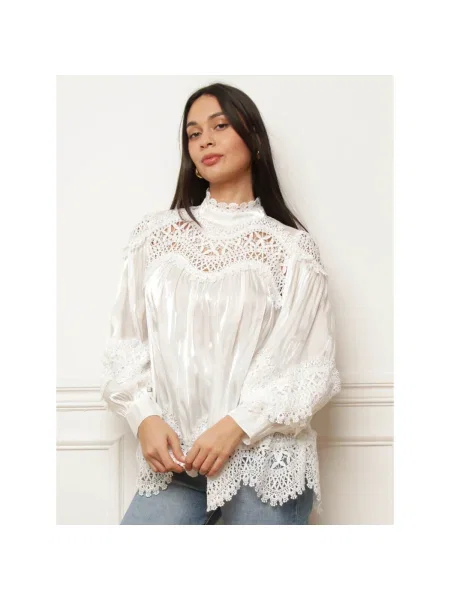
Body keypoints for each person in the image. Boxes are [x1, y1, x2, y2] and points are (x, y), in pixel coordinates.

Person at [100, 82, 342, 525]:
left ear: (253, 138)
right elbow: (126, 342)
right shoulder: (154, 237)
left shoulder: (291, 249)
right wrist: (143, 416)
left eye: (220, 126)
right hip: (177, 462)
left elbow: (309, 368)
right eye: (193, 133)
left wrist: (236, 426)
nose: (205, 141)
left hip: (263, 461)